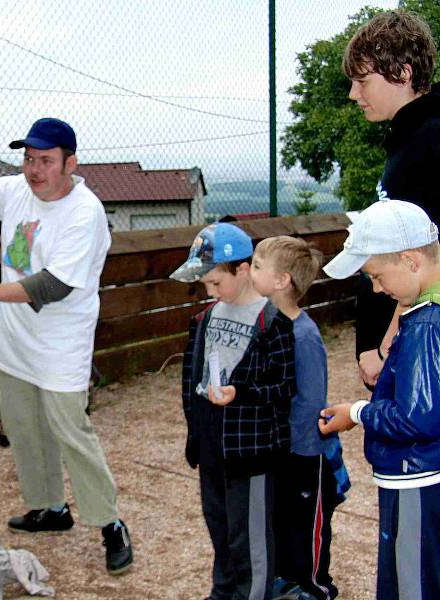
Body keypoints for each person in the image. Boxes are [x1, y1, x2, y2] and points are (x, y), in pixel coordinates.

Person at [0, 112, 133, 575]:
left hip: (61, 345)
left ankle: (110, 524)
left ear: (70, 163)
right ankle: (50, 507)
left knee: (71, 432)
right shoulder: (17, 191)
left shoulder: (84, 213)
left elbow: (54, 285)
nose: (33, 169)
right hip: (14, 341)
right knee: (24, 427)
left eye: (45, 160)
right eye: (28, 158)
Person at [319, 199, 440, 600]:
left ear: (410, 261)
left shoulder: (425, 325)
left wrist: (357, 411)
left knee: (411, 584)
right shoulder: (427, 309)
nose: (376, 288)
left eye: (376, 275)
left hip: (416, 477)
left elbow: (415, 418)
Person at [172, 223, 296, 600]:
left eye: (215, 283)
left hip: (250, 451)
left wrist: (240, 393)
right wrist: (196, 432)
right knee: (221, 528)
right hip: (211, 445)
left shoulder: (272, 322)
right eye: (206, 286)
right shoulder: (204, 319)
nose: (210, 292)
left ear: (242, 270)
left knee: (250, 537)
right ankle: (222, 592)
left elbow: (284, 387)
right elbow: (189, 380)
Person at [249, 236, 351, 600]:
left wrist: (302, 451)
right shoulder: (266, 323)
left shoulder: (304, 336)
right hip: (278, 448)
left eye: (258, 266)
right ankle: (285, 578)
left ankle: (314, 585)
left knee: (306, 524)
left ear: (282, 281)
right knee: (280, 519)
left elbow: (311, 400)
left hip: (306, 454)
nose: (250, 270)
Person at [343, 9, 440, 389]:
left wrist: (383, 348)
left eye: (362, 81)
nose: (354, 94)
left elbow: (427, 260)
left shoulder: (429, 142)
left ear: (402, 73)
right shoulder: (408, 137)